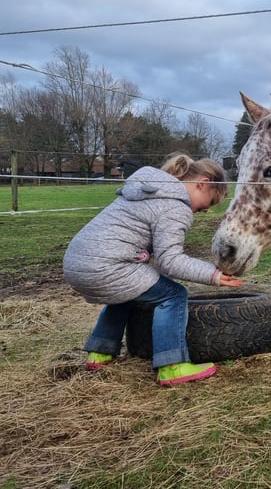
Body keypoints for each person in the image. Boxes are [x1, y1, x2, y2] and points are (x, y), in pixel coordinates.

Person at [63, 153, 243, 386]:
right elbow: (170, 261)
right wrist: (213, 275)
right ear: (203, 183)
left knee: (128, 293)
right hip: (107, 266)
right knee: (173, 295)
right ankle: (172, 366)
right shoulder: (175, 206)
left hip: (76, 264)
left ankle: (100, 351)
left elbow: (155, 256)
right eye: (207, 204)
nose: (203, 211)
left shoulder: (148, 190)